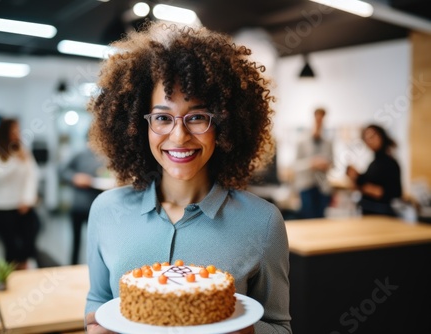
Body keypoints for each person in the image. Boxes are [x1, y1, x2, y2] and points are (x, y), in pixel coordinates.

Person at [84, 23, 291, 334]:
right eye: (163, 117)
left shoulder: (262, 222)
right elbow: (97, 302)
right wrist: (95, 327)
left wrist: (238, 329)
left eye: (197, 117)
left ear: (223, 123)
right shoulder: (106, 211)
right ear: (138, 124)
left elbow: (280, 327)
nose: (179, 136)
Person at [0, 118, 39, 269]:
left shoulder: (22, 150)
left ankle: (25, 278)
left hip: (24, 206)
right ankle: (11, 283)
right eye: (13, 130)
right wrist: (16, 160)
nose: (17, 134)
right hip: (2, 208)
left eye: (18, 130)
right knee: (11, 250)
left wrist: (28, 199)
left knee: (27, 248)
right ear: (4, 131)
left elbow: (32, 176)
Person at [59, 143, 106, 265]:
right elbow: (62, 170)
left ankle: (95, 268)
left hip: (97, 206)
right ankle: (72, 267)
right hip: (78, 206)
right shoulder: (80, 154)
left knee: (97, 242)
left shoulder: (106, 155)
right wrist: (75, 177)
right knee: (76, 241)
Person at [346, 124, 402, 216]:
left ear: (381, 136)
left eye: (372, 136)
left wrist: (368, 189)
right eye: (366, 138)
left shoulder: (390, 163)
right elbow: (366, 182)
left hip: (382, 214)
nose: (369, 140)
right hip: (368, 212)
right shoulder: (373, 163)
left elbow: (395, 192)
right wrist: (355, 177)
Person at [294, 108, 333, 218]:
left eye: (322, 119)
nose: (320, 121)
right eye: (318, 118)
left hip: (322, 187)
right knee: (308, 218)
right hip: (306, 186)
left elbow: (333, 164)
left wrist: (326, 165)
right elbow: (295, 165)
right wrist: (311, 164)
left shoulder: (328, 142)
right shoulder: (302, 141)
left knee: (321, 219)